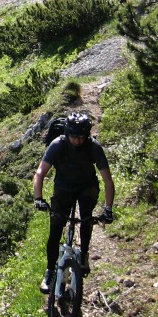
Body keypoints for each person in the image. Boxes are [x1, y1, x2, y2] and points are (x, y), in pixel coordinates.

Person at [33, 112, 115, 293]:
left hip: (87, 187)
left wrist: (108, 209)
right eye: (73, 136)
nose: (76, 141)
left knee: (86, 219)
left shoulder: (93, 148)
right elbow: (40, 173)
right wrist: (38, 199)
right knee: (55, 227)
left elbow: (108, 180)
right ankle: (50, 271)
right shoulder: (58, 145)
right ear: (67, 133)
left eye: (81, 137)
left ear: (87, 136)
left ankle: (84, 253)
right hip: (63, 188)